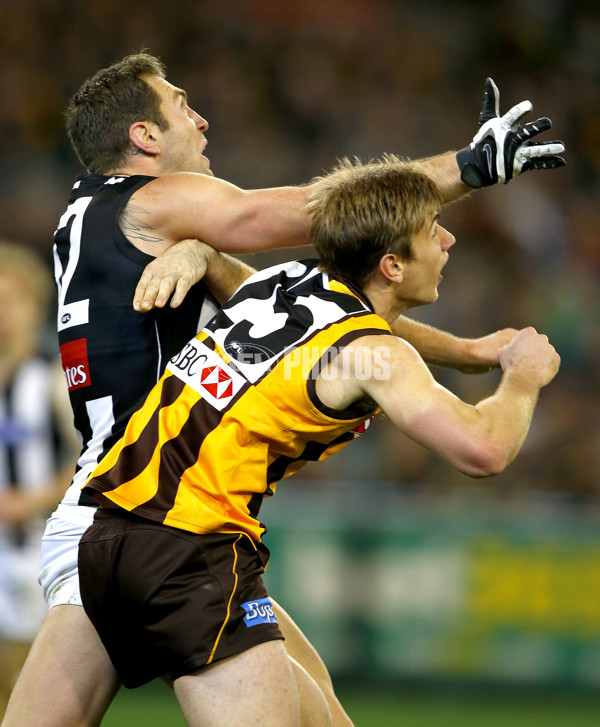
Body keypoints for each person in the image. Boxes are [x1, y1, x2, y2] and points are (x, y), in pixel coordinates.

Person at [1, 52, 564, 727]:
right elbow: (479, 445)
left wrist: (471, 352)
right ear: (143, 138)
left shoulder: (272, 284)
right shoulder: (149, 202)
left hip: (105, 518)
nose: (201, 117)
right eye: (181, 104)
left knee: (321, 704)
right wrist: (468, 169)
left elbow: (327, 310)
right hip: (183, 531)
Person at [0, 242, 80, 718]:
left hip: (37, 550)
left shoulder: (54, 378)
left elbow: (90, 459)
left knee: (32, 689)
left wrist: (31, 501)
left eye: (10, 301)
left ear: (34, 307)